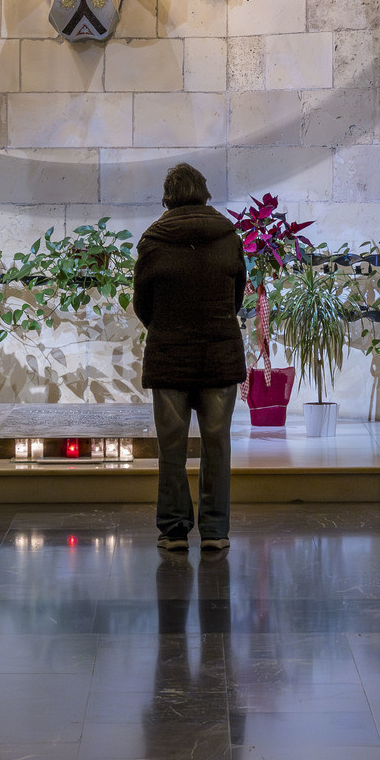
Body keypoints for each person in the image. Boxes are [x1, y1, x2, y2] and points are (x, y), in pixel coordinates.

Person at [133, 163, 247, 555]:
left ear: (168, 196)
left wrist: (167, 327)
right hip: (219, 352)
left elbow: (142, 304)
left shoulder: (153, 241)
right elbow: (237, 299)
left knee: (172, 449)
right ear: (204, 192)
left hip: (169, 356)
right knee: (217, 444)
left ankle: (174, 531)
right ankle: (215, 531)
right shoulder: (229, 237)